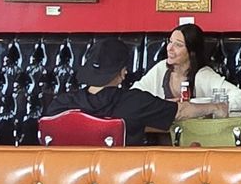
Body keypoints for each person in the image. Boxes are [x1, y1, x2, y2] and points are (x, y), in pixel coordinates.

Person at [45, 38, 225, 146]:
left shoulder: (60, 105)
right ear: (122, 73)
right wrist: (216, 106)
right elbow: (181, 111)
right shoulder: (134, 102)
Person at [132, 24, 241, 113]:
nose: (169, 48)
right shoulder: (161, 69)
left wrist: (203, 107)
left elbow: (240, 96)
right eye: (170, 42)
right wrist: (161, 105)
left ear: (192, 52)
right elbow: (134, 94)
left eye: (178, 45)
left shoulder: (203, 75)